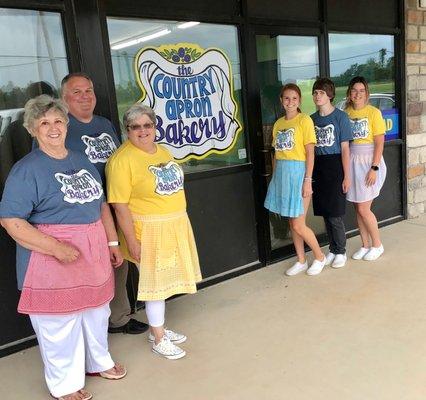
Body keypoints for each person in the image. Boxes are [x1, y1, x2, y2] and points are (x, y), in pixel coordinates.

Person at [0, 95, 127, 400]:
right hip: (52, 257)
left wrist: (112, 242)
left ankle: (97, 362)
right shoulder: (26, 170)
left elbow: (100, 206)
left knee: (96, 311)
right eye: (44, 123)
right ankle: (65, 384)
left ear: (67, 124)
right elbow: (11, 221)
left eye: (58, 120)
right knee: (59, 321)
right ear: (33, 129)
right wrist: (55, 248)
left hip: (93, 250)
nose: (53, 127)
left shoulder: (81, 159)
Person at [106, 104, 202, 360]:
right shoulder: (121, 160)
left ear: (155, 127)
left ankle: (157, 328)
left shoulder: (163, 150)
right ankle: (159, 338)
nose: (142, 130)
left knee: (164, 281)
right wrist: (131, 240)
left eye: (147, 125)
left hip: (172, 224)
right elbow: (119, 205)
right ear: (127, 130)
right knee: (155, 285)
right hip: (146, 229)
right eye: (135, 126)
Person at [61, 72, 148, 334]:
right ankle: (88, 324)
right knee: (88, 266)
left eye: (89, 90)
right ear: (65, 98)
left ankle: (118, 318)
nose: (85, 96)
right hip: (83, 211)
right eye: (77, 92)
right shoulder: (59, 127)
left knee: (118, 259)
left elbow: (124, 158)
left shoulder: (104, 123)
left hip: (115, 204)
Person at [264, 83, 326, 276]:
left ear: (299, 100)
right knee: (292, 224)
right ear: (281, 100)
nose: (290, 102)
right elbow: (276, 154)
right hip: (282, 174)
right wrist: (275, 178)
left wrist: (308, 180)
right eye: (286, 98)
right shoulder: (278, 123)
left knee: (299, 223)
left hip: (299, 173)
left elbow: (310, 153)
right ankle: (301, 260)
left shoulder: (304, 121)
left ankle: (320, 256)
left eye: (294, 98)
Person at [310, 78, 353, 272]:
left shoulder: (340, 117)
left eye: (321, 92)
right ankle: (333, 249)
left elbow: (345, 149)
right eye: (315, 93)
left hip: (335, 165)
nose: (317, 96)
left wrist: (347, 175)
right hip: (318, 166)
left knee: (335, 213)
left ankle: (341, 250)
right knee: (325, 213)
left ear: (330, 95)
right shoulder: (311, 119)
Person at [344, 76, 387, 261]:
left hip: (369, 161)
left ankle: (377, 245)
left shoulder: (374, 112)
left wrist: (374, 167)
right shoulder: (345, 113)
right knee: (357, 208)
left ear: (366, 93)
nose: (358, 94)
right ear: (349, 93)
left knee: (363, 208)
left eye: (361, 90)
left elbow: (379, 142)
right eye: (354, 90)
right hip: (352, 161)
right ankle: (365, 244)